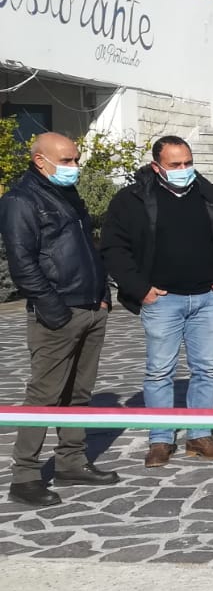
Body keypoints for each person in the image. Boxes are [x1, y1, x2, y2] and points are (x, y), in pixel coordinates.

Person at [99, 136, 213, 468]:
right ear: (157, 166)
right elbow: (113, 247)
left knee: (206, 368)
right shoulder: (132, 200)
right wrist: (141, 289)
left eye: (187, 163)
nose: (184, 170)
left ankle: (199, 436)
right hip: (161, 301)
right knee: (159, 371)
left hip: (208, 299)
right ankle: (160, 439)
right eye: (175, 165)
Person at [0, 133, 117, 505]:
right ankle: (25, 477)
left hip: (89, 307)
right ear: (40, 160)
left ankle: (71, 462)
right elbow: (23, 264)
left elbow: (85, 249)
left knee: (79, 393)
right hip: (58, 312)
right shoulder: (21, 201)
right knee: (44, 395)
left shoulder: (66, 195)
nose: (74, 167)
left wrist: (101, 296)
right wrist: (55, 310)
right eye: (67, 161)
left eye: (76, 160)